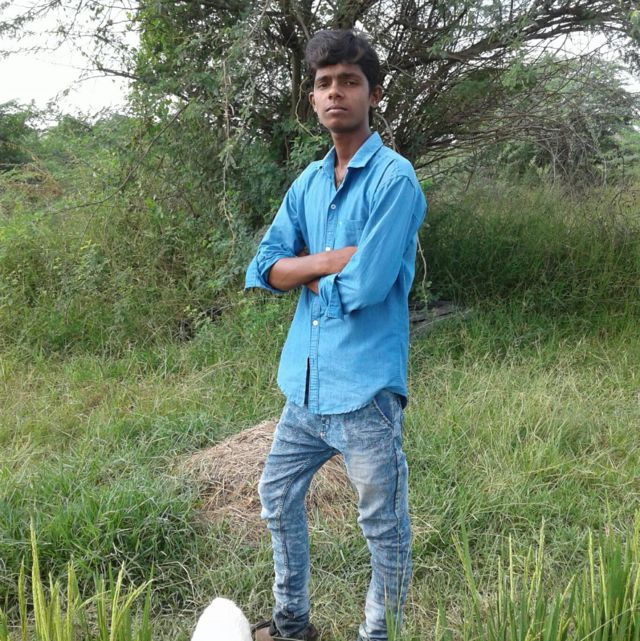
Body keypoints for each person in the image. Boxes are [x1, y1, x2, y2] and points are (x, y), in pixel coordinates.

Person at [245, 28, 427, 641]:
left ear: (373, 94)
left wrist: (304, 271)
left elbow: (366, 287)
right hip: (304, 389)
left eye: (349, 81)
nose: (335, 93)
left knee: (383, 526)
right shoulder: (309, 182)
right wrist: (327, 260)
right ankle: (292, 626)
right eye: (324, 83)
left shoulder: (394, 180)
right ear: (312, 98)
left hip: (365, 393)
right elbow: (264, 268)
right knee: (276, 498)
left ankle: (377, 636)